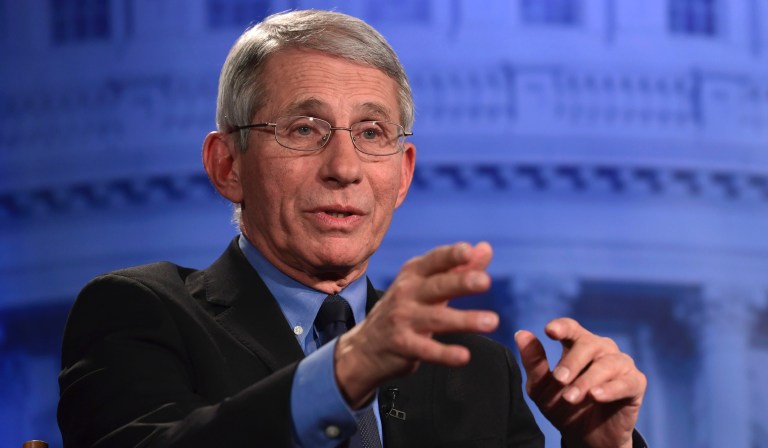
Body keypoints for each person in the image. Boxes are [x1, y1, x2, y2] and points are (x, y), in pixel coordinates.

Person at [58, 9, 647, 448]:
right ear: (227, 165)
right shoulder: (138, 312)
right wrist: (348, 369)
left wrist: (600, 444)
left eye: (371, 134)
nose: (344, 169)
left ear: (403, 173)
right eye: (304, 128)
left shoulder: (474, 368)